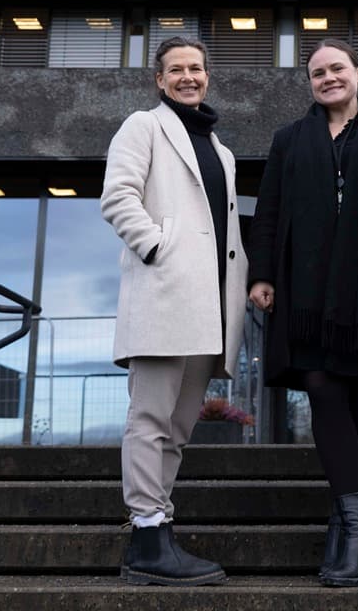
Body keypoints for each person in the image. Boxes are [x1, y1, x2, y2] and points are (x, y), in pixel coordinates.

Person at [247, 38, 358, 588]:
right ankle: (355, 526)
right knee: (324, 387)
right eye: (317, 73)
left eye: (336, 69)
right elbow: (270, 209)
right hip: (306, 291)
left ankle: (347, 528)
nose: (327, 78)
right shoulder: (290, 138)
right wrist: (261, 274)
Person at [101, 36, 247, 586]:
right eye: (176, 70)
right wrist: (158, 247)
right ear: (159, 80)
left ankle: (158, 531)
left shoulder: (221, 150)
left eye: (197, 68)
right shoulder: (143, 126)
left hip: (207, 308)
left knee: (180, 427)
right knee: (150, 418)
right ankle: (145, 531)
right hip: (164, 295)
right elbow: (118, 196)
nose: (189, 77)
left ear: (207, 76)